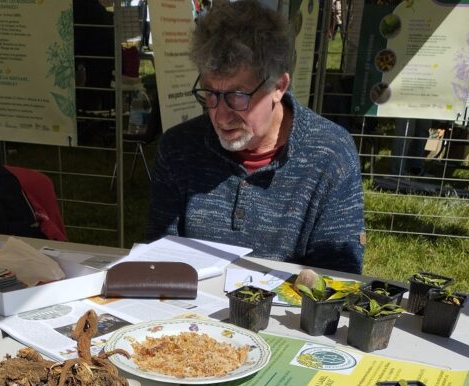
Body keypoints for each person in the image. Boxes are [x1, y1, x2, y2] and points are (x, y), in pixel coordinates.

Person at [147, 0, 364, 273]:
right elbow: (160, 259)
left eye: (238, 96)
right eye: (210, 93)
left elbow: (336, 278)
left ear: (279, 87)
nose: (220, 115)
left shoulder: (330, 154)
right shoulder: (179, 148)